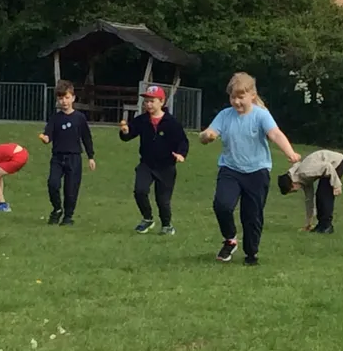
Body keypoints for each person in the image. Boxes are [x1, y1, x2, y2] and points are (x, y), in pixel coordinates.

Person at [199, 72, 301, 265]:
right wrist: (207, 136)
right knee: (222, 205)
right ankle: (230, 239)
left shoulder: (261, 115)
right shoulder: (225, 115)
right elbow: (208, 133)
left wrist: (290, 153)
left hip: (257, 172)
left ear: (252, 95)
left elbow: (275, 134)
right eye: (233, 97)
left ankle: (251, 254)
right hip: (230, 169)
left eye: (241, 97)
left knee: (252, 216)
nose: (236, 102)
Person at [119, 84, 189, 235]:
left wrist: (181, 154)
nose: (148, 104)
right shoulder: (142, 120)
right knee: (140, 190)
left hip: (166, 167)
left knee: (162, 200)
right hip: (147, 164)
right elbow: (129, 134)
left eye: (152, 101)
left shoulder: (172, 123)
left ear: (162, 102)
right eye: (146, 101)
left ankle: (167, 225)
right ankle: (147, 218)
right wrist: (125, 132)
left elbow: (183, 141)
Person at [40, 80, 95, 225]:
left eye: (66, 97)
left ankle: (68, 217)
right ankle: (57, 209)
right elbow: (48, 134)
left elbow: (86, 137)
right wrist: (45, 138)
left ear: (73, 98)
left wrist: (91, 157)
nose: (64, 101)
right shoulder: (55, 118)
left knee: (71, 190)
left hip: (74, 158)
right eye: (60, 98)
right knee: (53, 184)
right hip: (58, 157)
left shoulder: (79, 118)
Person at [277, 149, 343, 234]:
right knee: (319, 196)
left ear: (292, 184)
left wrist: (337, 185)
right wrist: (308, 223)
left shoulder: (305, 173)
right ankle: (321, 226)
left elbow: (327, 166)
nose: (296, 191)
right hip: (327, 169)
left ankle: (327, 226)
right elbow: (309, 200)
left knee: (324, 195)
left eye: (292, 190)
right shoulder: (303, 180)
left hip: (336, 162)